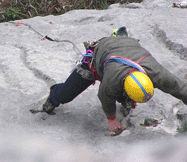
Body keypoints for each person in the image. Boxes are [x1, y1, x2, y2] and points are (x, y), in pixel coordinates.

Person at [42, 27, 187, 134]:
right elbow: (104, 97)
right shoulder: (112, 79)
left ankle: (119, 37)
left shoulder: (156, 73)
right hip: (98, 55)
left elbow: (179, 87)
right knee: (66, 94)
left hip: (125, 48)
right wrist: (111, 119)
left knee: (121, 92)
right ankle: (53, 97)